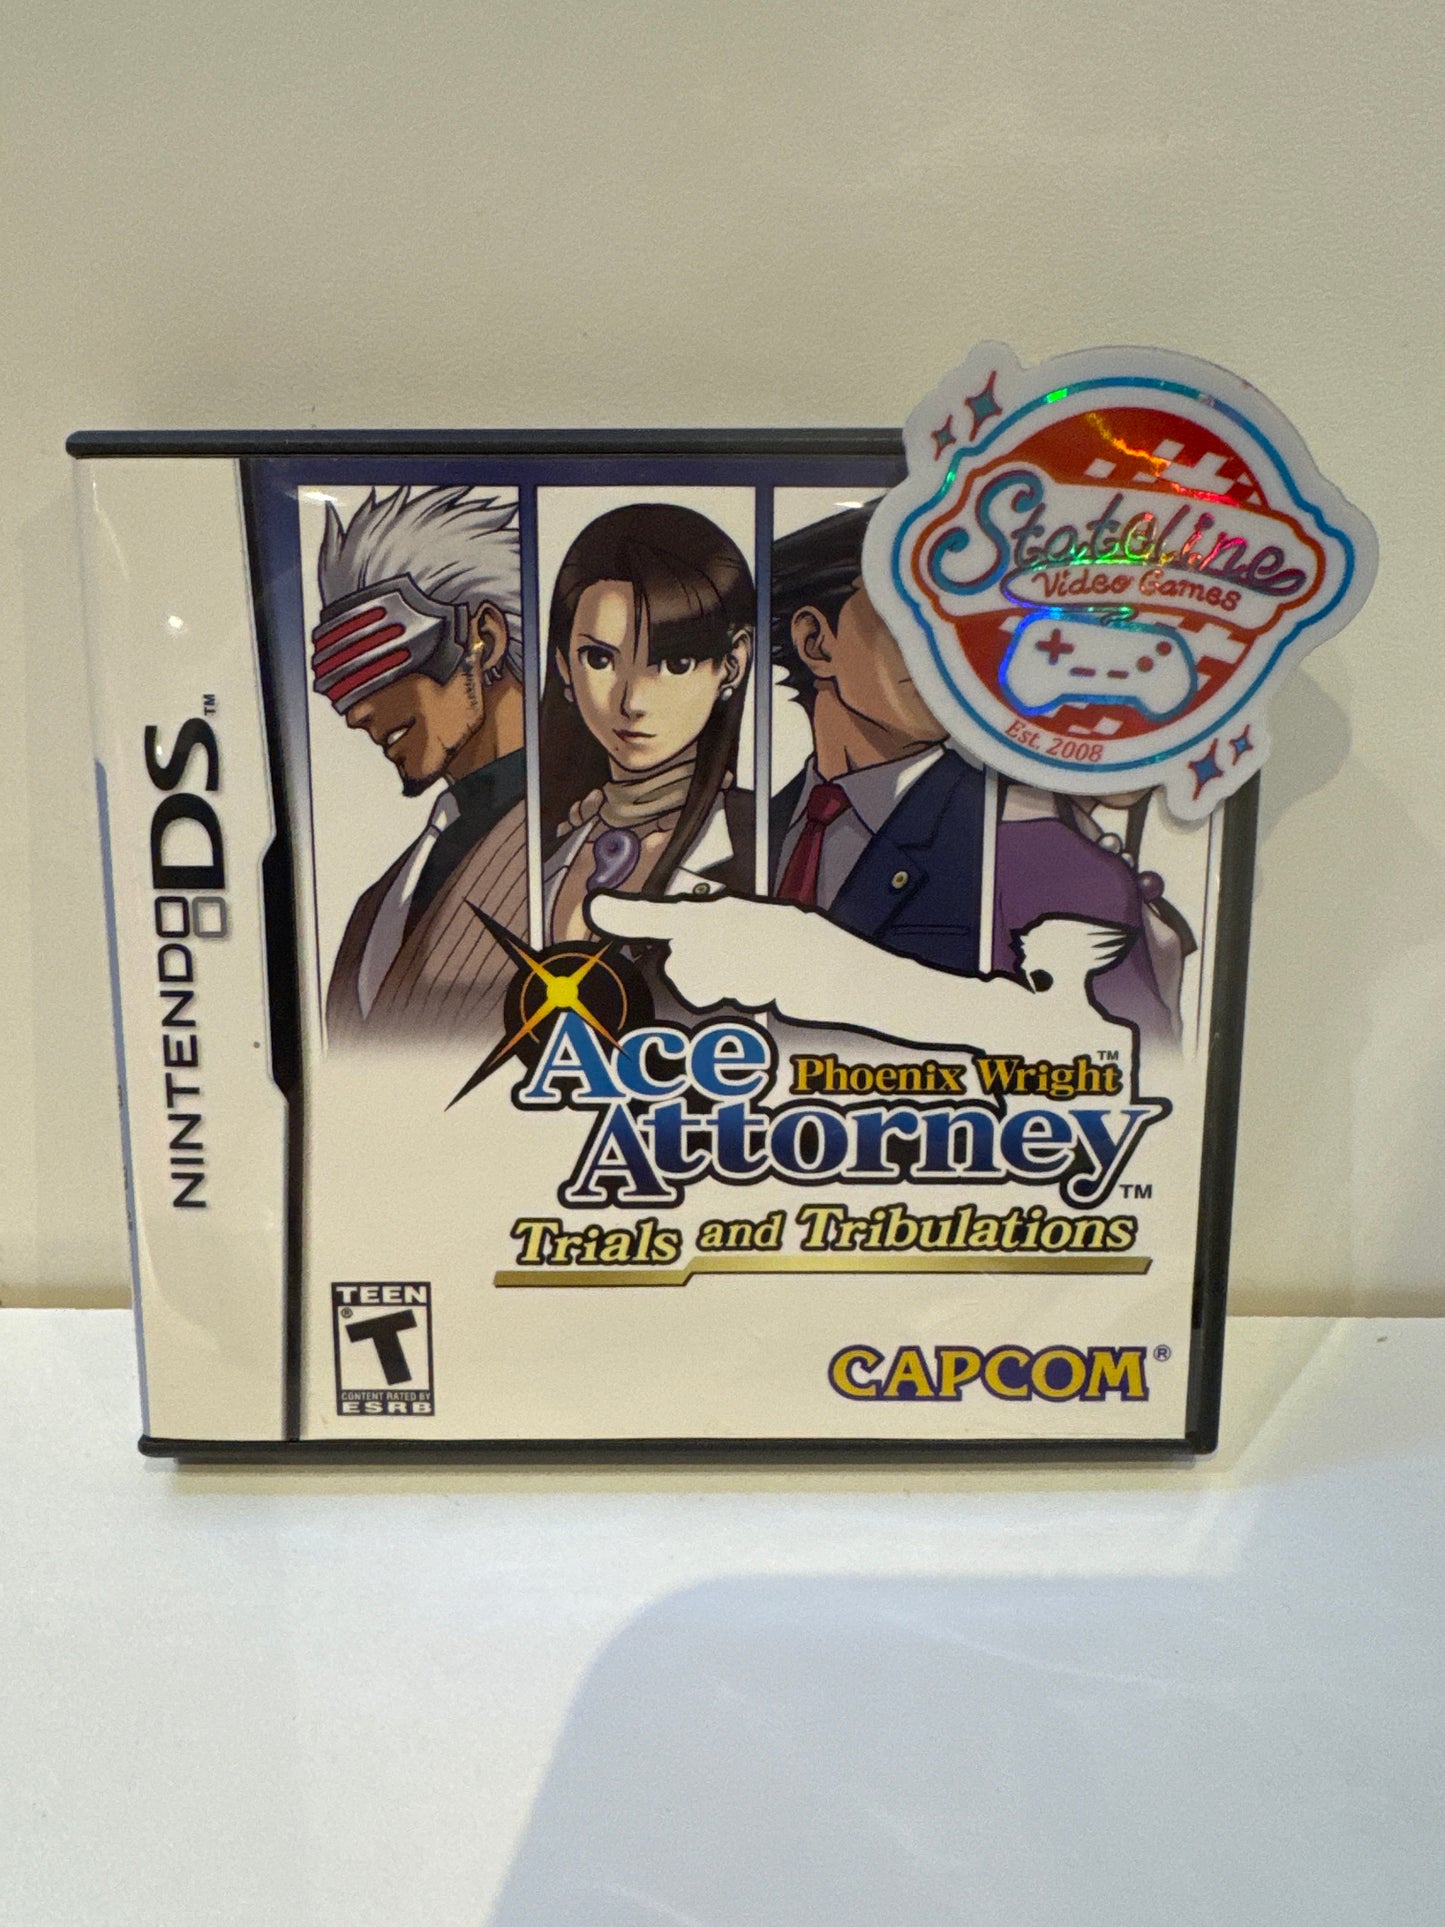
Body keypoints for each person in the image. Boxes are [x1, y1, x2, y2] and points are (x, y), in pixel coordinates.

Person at [312, 485, 527, 1046]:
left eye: (375, 661)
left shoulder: (590, 837)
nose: (355, 713)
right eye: (338, 683)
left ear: (484, 638)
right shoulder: (379, 903)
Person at [770, 504, 989, 973]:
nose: (953, 653)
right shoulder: (754, 829)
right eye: (912, 619)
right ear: (816, 642)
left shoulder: (1001, 833)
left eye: (965, 620)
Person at [540, 503, 754, 941]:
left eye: (675, 663)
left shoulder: (759, 839)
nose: (632, 701)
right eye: (599, 659)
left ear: (732, 665)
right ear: (564, 665)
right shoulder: (539, 842)